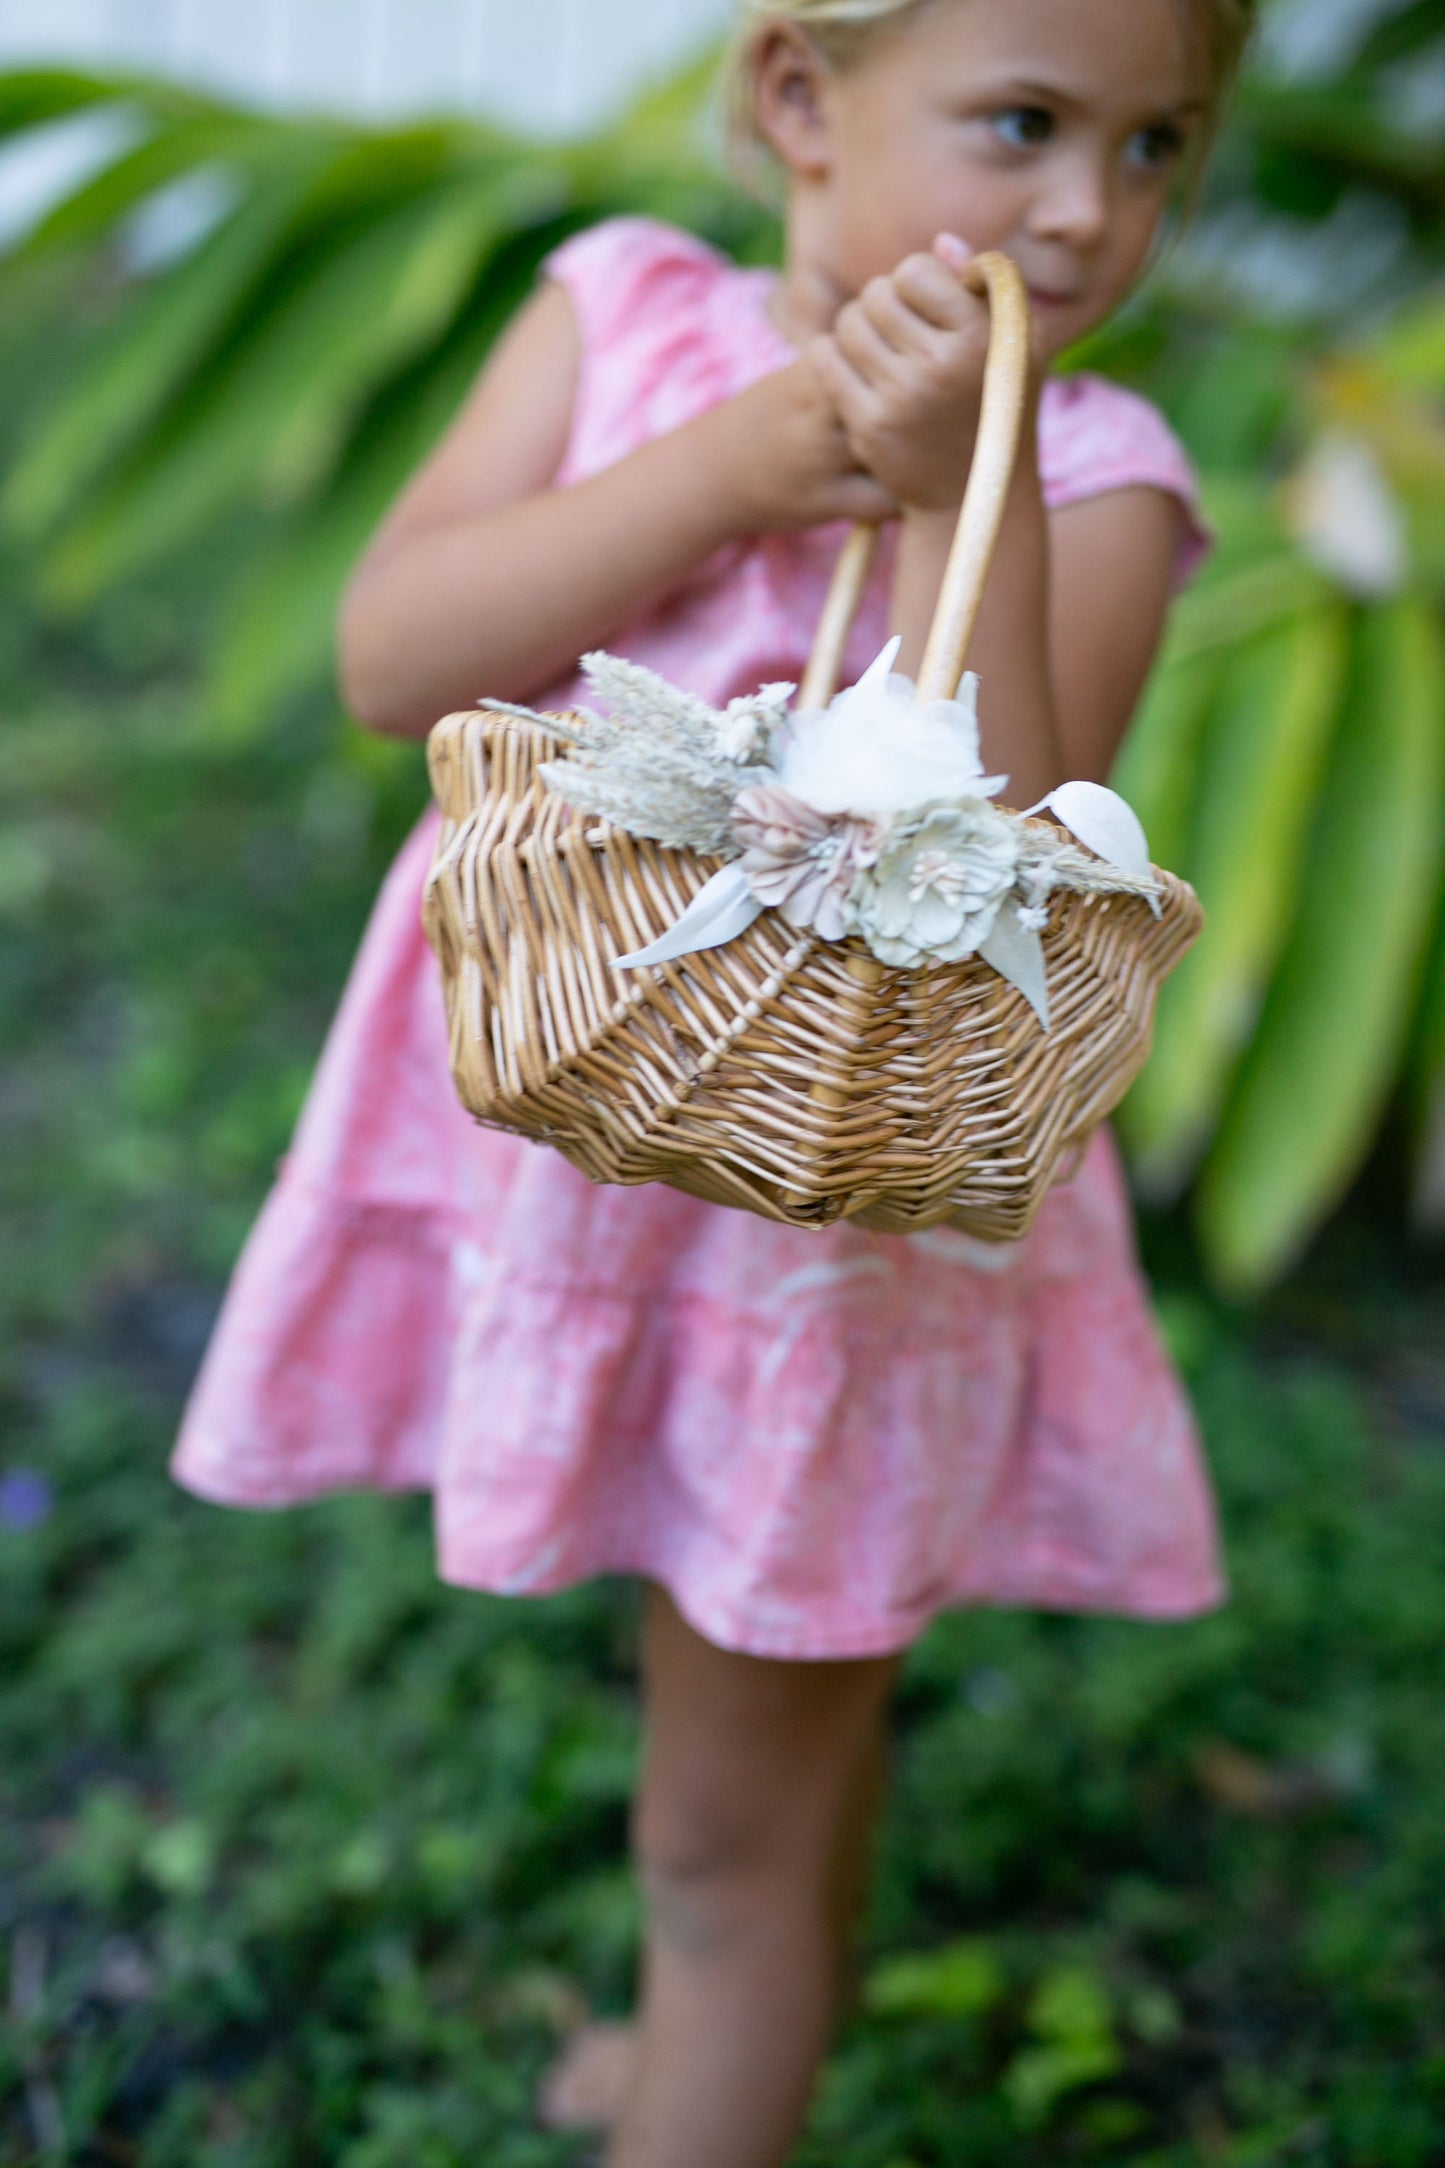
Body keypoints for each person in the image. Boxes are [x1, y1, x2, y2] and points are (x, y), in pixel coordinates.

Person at [173, 1, 1252, 2160]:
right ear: (795, 102)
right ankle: (708, 2036)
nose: (1085, 208)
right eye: (1027, 123)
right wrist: (739, 469)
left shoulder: (1097, 477)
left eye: (1156, 148)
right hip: (572, 1155)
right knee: (779, 1719)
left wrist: (977, 511)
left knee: (720, 1822)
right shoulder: (616, 319)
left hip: (827, 1256)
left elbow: (1034, 883)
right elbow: (399, 659)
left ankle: (712, 2065)